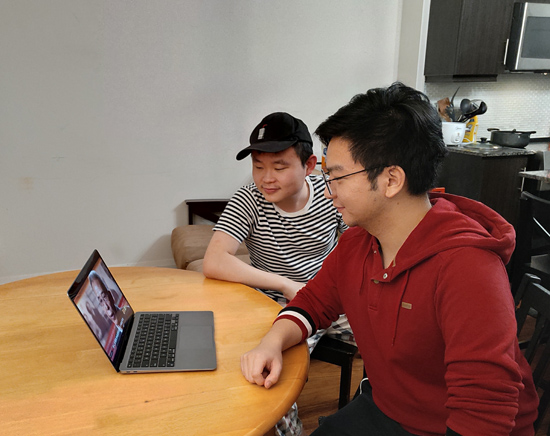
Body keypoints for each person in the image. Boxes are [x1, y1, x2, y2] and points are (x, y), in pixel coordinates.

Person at [240, 83, 539, 436]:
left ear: (391, 180)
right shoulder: (357, 243)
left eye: (336, 176)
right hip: (386, 406)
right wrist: (272, 342)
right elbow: (313, 302)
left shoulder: (467, 267)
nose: (328, 189)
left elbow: (485, 411)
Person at [203, 111, 351, 436]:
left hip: (329, 298)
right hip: (274, 303)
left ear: (309, 165)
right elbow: (214, 260)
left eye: (279, 167)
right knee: (272, 376)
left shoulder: (331, 194)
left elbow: (357, 245)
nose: (266, 178)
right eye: (258, 166)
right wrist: (285, 284)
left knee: (394, 336)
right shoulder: (249, 199)